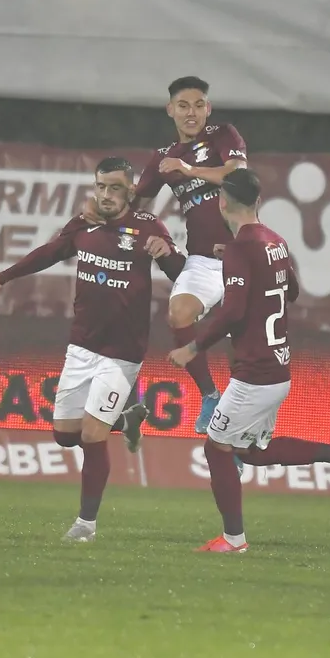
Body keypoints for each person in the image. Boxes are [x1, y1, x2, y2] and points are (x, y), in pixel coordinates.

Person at [168, 168, 330, 553]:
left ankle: (234, 540)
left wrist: (193, 348)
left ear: (222, 203)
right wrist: (237, 263)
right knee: (252, 451)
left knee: (216, 448)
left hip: (255, 373)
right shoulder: (274, 242)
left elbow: (232, 313)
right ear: (258, 201)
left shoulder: (240, 249)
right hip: (277, 367)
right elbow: (292, 291)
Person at [0, 157, 186, 543]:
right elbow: (48, 253)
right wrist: (2, 278)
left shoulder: (148, 227)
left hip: (122, 352)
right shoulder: (83, 224)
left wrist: (167, 254)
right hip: (82, 346)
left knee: (92, 435)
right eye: (101, 187)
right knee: (64, 435)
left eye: (115, 188)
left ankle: (85, 525)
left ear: (130, 191)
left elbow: (180, 272)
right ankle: (125, 419)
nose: (106, 194)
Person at [85, 76, 247, 434]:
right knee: (179, 313)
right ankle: (210, 397)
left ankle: (239, 427)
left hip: (244, 256)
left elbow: (236, 175)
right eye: (184, 106)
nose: (192, 113)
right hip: (204, 260)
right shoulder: (163, 158)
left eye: (199, 105)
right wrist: (103, 208)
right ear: (170, 110)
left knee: (245, 355)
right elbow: (136, 207)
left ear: (208, 108)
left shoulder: (224, 136)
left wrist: (188, 170)